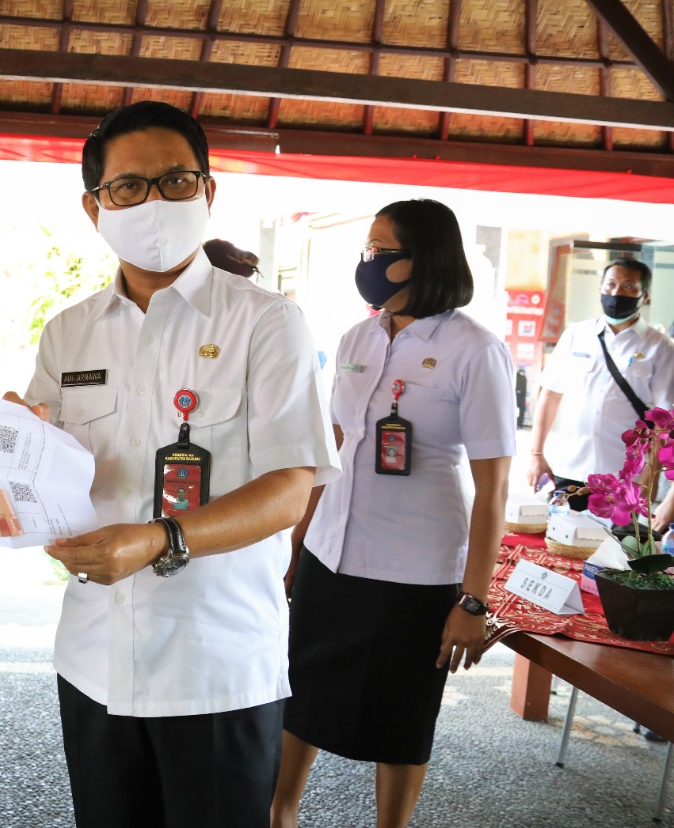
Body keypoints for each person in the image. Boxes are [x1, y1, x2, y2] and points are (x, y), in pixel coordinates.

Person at [7, 100, 339, 827]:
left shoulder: (266, 322)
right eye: (128, 187)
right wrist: (15, 441)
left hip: (217, 669)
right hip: (94, 659)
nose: (153, 201)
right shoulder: (68, 333)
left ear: (209, 193)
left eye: (175, 181)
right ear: (95, 207)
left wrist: (161, 538)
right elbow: (47, 471)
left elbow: (289, 491)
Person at [272, 199, 515, 828]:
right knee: (301, 695)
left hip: (418, 567)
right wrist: (298, 546)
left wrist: (473, 601)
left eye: (383, 251)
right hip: (333, 551)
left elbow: (493, 488)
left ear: (424, 257)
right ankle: (281, 813)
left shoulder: (475, 349)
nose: (369, 262)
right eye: (367, 250)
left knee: (402, 714)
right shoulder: (357, 337)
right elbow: (328, 455)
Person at [528, 259, 674, 521]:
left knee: (612, 555)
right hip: (569, 469)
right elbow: (550, 395)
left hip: (624, 477)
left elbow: (662, 422)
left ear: (645, 295)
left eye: (628, 286)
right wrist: (536, 454)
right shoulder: (576, 335)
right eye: (611, 284)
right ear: (601, 289)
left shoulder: (660, 347)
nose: (617, 293)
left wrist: (647, 478)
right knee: (559, 548)